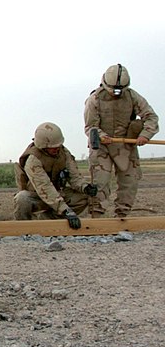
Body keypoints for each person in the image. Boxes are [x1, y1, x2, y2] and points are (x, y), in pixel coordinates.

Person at [84, 64, 159, 217]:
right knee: (100, 181)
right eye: (113, 89)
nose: (116, 93)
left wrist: (145, 135)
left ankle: (122, 214)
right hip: (102, 146)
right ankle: (97, 216)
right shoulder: (94, 99)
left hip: (126, 144)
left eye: (120, 89)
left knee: (129, 181)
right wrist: (101, 135)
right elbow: (90, 127)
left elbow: (151, 117)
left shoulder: (133, 96)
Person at [13, 122, 97, 228]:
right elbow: (45, 188)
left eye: (58, 146)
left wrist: (85, 187)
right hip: (37, 196)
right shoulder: (33, 160)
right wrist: (66, 210)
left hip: (58, 192)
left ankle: (49, 221)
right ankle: (23, 228)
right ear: (43, 146)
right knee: (22, 198)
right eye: (53, 147)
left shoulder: (64, 153)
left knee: (84, 197)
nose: (57, 149)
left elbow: (74, 177)